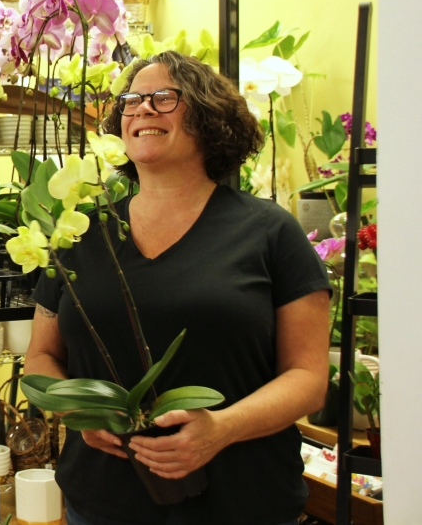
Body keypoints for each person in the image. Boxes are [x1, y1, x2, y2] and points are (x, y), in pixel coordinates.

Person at [25, 51, 331, 525]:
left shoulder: (269, 232)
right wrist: (82, 412)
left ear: (210, 116)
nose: (142, 108)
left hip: (242, 504)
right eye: (131, 100)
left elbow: (309, 380)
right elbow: (41, 358)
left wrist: (222, 428)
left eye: (163, 97)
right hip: (102, 502)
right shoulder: (80, 233)